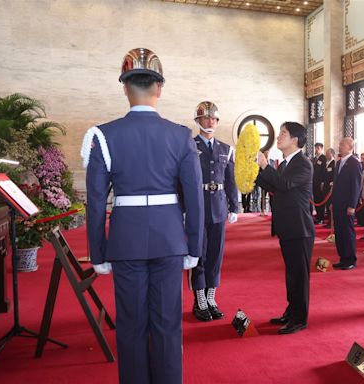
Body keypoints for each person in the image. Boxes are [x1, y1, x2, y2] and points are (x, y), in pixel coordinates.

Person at [82, 48, 204, 384]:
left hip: (126, 242)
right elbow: (194, 197)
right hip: (169, 240)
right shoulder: (181, 136)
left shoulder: (103, 136)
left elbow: (95, 201)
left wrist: (98, 251)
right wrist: (194, 245)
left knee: (131, 325)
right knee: (167, 325)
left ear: (124, 88)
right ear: (159, 88)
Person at [256, 122, 315, 334]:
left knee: (299, 275)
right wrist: (254, 172)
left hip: (300, 228)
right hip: (288, 227)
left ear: (295, 140)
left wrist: (265, 166)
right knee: (291, 274)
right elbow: (274, 185)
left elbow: (285, 184)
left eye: (283, 134)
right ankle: (291, 311)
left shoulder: (303, 164)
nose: (279, 137)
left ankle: (300, 318)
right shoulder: (287, 163)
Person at [191, 101, 239, 322]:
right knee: (198, 254)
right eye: (205, 118)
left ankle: (211, 297)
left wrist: (234, 206)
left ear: (217, 122)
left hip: (218, 207)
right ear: (198, 121)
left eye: (213, 118)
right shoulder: (189, 147)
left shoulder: (226, 149)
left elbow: (231, 180)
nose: (209, 121)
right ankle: (199, 298)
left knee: (215, 255)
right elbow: (181, 182)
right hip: (198, 207)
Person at [331, 137, 362, 270]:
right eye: (340, 143)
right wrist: (332, 201)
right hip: (338, 203)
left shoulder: (354, 163)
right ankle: (343, 257)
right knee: (339, 232)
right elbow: (336, 185)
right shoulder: (339, 163)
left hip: (347, 205)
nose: (340, 146)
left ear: (350, 147)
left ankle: (350, 259)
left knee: (347, 232)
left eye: (343, 144)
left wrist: (352, 205)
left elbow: (356, 186)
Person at [312, 142, 327, 224]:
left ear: (321, 149)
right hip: (314, 182)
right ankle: (318, 215)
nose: (316, 150)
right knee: (316, 199)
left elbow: (324, 171)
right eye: (315, 148)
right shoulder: (315, 159)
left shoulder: (323, 158)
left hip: (320, 183)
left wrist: (322, 182)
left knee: (320, 199)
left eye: (318, 148)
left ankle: (321, 217)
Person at [323, 148, 336, 227]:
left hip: (330, 187)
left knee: (330, 204)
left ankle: (331, 221)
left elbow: (334, 175)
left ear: (332, 154)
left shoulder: (334, 163)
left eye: (328, 153)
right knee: (327, 204)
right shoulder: (326, 163)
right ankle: (329, 220)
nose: (326, 155)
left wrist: (332, 183)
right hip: (325, 186)